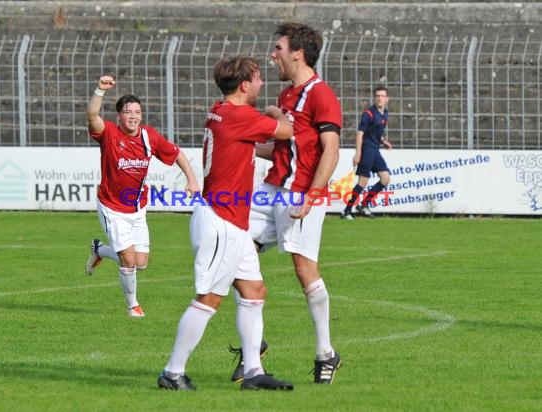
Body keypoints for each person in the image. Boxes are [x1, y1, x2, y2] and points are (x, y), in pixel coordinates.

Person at [157, 56, 294, 391]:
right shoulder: (240, 115)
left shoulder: (221, 111)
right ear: (245, 85)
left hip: (231, 223)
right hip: (221, 221)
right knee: (209, 299)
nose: (262, 84)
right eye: (259, 79)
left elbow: (249, 147)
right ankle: (172, 373)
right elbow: (287, 131)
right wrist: (280, 112)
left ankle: (253, 371)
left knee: (254, 291)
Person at [230, 22, 343, 385]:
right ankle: (254, 345)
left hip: (301, 193)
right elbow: (281, 148)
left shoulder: (322, 94)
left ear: (298, 52)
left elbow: (331, 150)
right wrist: (237, 143)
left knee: (304, 269)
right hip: (273, 189)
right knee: (233, 253)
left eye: (278, 48)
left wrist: (313, 194)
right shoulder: (284, 98)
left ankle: (326, 354)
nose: (273, 54)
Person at [85, 75, 200, 317]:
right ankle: (133, 306)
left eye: (137, 111)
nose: (133, 116)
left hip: (137, 209)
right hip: (112, 207)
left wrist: (191, 179)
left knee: (141, 262)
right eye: (128, 112)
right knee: (128, 261)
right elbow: (92, 116)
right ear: (119, 116)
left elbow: (176, 153)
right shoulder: (109, 134)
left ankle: (99, 249)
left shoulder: (149, 136)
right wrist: (99, 90)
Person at [341, 86, 392, 220]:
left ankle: (363, 205)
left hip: (375, 149)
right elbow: (360, 133)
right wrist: (358, 153)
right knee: (363, 182)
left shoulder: (385, 114)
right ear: (375, 98)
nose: (380, 98)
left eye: (382, 96)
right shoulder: (368, 114)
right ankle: (346, 211)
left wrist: (383, 141)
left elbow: (374, 133)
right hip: (367, 150)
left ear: (387, 99)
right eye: (377, 96)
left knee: (385, 179)